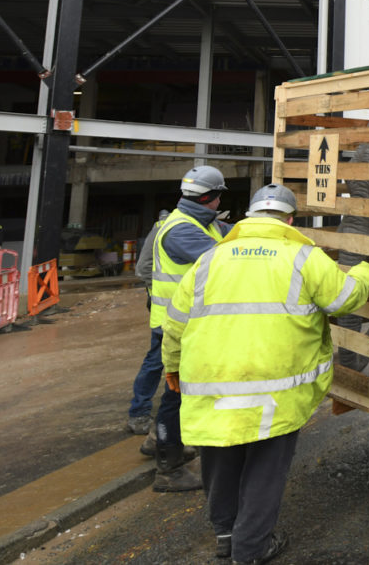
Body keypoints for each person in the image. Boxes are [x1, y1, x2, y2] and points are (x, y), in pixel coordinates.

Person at [164, 184, 369, 564]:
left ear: (249, 216)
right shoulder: (302, 257)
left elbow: (176, 322)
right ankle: (251, 550)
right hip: (273, 390)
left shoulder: (211, 258)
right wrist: (365, 270)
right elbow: (344, 300)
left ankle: (226, 537)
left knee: (221, 462)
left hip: (211, 383)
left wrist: (172, 366)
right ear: (290, 219)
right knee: (264, 472)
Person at [143, 166, 232, 492]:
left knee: (177, 391)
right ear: (210, 197)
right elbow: (227, 263)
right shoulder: (182, 231)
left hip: (187, 324)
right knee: (177, 394)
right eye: (219, 195)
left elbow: (229, 232)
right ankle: (168, 467)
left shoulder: (202, 223)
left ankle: (159, 438)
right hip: (177, 327)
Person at [126, 208, 172, 436]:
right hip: (165, 310)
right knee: (156, 360)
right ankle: (139, 412)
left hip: (179, 310)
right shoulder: (163, 229)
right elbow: (143, 269)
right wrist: (157, 293)